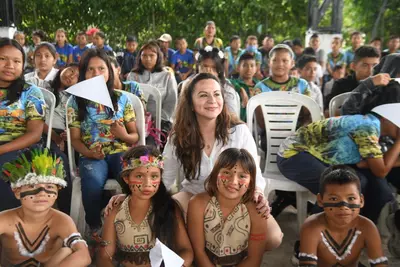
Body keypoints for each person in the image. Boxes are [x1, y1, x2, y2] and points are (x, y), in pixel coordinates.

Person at [277, 103, 400, 223]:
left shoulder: (371, 125)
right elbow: (380, 171)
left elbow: (363, 164)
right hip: (294, 155)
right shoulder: (368, 127)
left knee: (359, 181)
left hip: (316, 157)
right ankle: (314, 235)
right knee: (338, 187)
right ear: (385, 119)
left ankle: (352, 232)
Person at [67, 48, 139, 237]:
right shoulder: (76, 102)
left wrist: (122, 134)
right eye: (91, 69)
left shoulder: (122, 98)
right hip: (92, 155)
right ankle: (95, 227)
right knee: (91, 182)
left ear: (110, 72)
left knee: (130, 179)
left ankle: (131, 223)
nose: (96, 74)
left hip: (120, 151)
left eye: (101, 68)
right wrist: (89, 153)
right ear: (83, 73)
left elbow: (135, 137)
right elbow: (74, 139)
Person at [97, 145, 193, 267]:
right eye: (139, 176)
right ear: (126, 178)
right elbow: (105, 255)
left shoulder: (169, 208)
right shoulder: (116, 210)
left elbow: (186, 250)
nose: (147, 184)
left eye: (154, 176)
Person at [187, 148, 282, 266]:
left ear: (251, 183)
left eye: (242, 176)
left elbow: (254, 260)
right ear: (216, 174)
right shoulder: (197, 204)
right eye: (227, 173)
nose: (234, 181)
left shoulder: (256, 212)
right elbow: (199, 252)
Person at [0, 148, 91, 267]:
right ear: (17, 192)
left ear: (57, 192)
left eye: (49, 186)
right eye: (32, 185)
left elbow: (84, 256)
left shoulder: (62, 220)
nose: (42, 192)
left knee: (68, 251)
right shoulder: (4, 219)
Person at [299, 165, 388, 267]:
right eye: (334, 199)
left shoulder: (367, 227)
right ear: (320, 200)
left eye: (351, 198)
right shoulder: (311, 227)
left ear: (361, 200)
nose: (343, 207)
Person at [0, 38, 47, 211]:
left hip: (19, 149)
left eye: (16, 61)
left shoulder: (31, 92)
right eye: (3, 59)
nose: (9, 65)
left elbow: (35, 134)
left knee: (6, 170)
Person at [127, 41, 178, 145]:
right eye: (144, 55)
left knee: (154, 145)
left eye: (151, 55)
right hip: (136, 122)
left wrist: (158, 120)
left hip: (161, 123)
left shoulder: (167, 75)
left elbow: (171, 102)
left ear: (158, 56)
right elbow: (129, 101)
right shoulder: (133, 75)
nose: (148, 59)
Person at [325, 45, 380, 111]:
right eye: (365, 65)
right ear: (353, 66)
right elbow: (328, 113)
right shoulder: (341, 84)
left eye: (375, 65)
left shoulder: (383, 86)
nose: (370, 71)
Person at [193, 46, 239, 115]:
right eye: (205, 66)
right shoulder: (188, 85)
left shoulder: (227, 89)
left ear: (219, 71)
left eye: (213, 68)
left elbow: (232, 117)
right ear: (198, 67)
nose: (208, 71)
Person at [230, 52, 260, 122]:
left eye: (252, 66)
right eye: (245, 66)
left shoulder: (260, 85)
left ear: (256, 69)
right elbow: (226, 81)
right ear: (238, 68)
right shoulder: (233, 83)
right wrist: (240, 89)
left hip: (258, 123)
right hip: (240, 122)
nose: (249, 69)